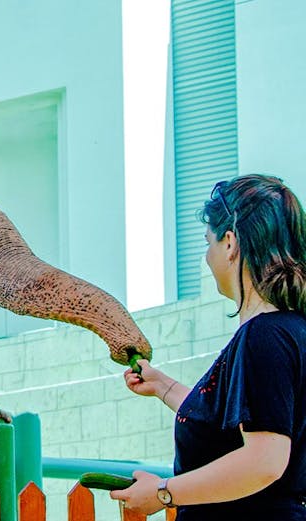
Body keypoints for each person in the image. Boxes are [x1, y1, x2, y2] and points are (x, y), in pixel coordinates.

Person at [110, 174, 306, 520]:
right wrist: (163, 386)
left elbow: (265, 460)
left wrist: (163, 493)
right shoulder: (291, 332)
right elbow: (226, 423)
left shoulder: (264, 337)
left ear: (230, 243)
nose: (207, 255)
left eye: (208, 242)